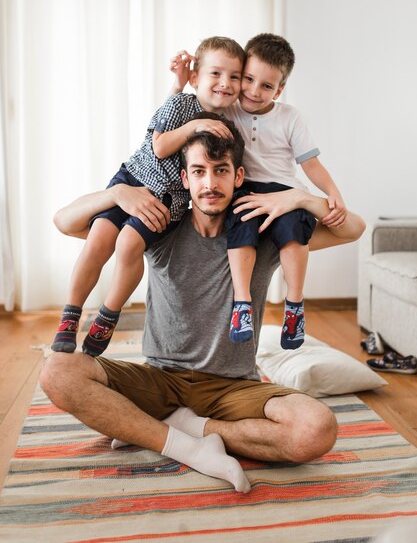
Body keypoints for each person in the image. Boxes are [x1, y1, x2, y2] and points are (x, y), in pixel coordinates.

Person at [41, 125, 365, 493]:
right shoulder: (159, 228)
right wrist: (117, 192)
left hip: (233, 388)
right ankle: (186, 446)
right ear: (185, 178)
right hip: (160, 380)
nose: (209, 183)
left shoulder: (264, 234)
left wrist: (300, 199)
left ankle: (184, 428)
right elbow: (64, 222)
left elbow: (352, 229)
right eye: (199, 171)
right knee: (57, 370)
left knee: (316, 429)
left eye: (221, 170)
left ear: (238, 175)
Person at [51, 36, 244, 357]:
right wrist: (195, 124)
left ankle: (108, 314)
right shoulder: (179, 103)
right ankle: (70, 315)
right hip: (133, 177)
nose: (225, 83)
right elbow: (159, 146)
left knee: (128, 243)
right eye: (216, 74)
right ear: (195, 78)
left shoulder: (227, 125)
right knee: (99, 238)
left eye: (234, 77)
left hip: (168, 198)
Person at [170, 33, 352, 350]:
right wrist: (182, 81)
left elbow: (310, 163)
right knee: (240, 227)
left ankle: (294, 304)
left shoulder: (289, 117)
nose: (254, 91)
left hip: (286, 191)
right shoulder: (229, 111)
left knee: (294, 232)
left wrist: (332, 191)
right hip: (246, 190)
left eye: (266, 86)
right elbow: (194, 104)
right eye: (249, 80)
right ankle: (243, 303)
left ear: (279, 89)